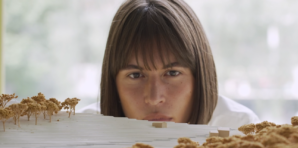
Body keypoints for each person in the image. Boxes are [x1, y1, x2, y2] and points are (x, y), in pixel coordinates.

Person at [79, 0, 260, 128]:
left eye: (172, 73)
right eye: (135, 75)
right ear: (112, 82)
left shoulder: (241, 132)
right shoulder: (81, 136)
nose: (154, 97)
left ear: (200, 77)